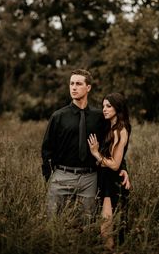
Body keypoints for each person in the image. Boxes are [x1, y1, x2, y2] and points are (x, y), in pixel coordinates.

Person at [41, 69, 130, 220]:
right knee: (53, 223)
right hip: (62, 176)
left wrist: (122, 168)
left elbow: (110, 145)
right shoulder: (58, 116)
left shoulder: (99, 117)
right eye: (71, 84)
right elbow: (47, 149)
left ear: (88, 87)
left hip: (90, 179)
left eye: (78, 84)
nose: (73, 87)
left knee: (87, 224)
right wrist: (49, 177)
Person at [88, 92, 131, 250]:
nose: (104, 109)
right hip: (104, 177)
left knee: (106, 226)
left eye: (108, 106)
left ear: (117, 108)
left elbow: (114, 164)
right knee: (105, 222)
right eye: (103, 106)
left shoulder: (120, 131)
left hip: (110, 181)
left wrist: (95, 153)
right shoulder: (110, 126)